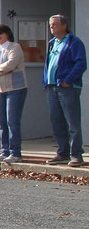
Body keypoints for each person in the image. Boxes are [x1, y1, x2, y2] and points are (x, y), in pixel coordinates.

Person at [43, 14, 87, 167]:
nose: (52, 27)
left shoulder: (74, 42)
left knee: (72, 122)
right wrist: (46, 82)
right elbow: (49, 64)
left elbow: (80, 64)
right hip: (52, 87)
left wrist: (68, 80)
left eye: (54, 24)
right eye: (50, 24)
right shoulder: (52, 43)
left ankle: (76, 155)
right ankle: (62, 152)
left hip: (67, 88)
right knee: (56, 121)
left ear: (64, 26)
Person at [0, 23, 28, 163]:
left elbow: (11, 65)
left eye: (0, 33)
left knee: (12, 121)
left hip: (15, 89)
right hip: (0, 89)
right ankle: (5, 151)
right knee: (2, 122)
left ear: (7, 33)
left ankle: (15, 152)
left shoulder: (15, 47)